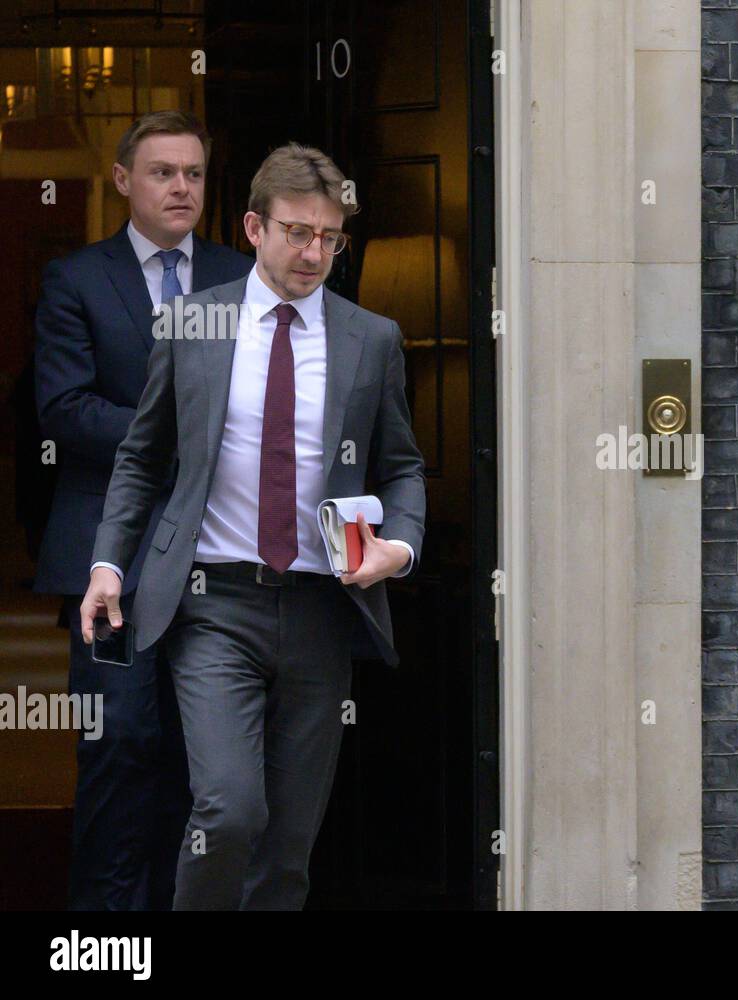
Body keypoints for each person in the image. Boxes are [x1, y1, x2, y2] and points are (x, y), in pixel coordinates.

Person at [80, 142, 426, 910]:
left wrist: (398, 547)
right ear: (253, 228)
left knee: (290, 842)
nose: (315, 253)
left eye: (330, 237)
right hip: (213, 606)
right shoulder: (191, 324)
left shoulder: (371, 339)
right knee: (230, 808)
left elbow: (401, 466)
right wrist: (108, 566)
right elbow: (141, 460)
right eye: (298, 232)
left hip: (320, 609)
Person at [33, 110, 252, 910]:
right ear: (125, 181)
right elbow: (62, 409)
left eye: (193, 173)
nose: (181, 187)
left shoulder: (243, 276)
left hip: (221, 556)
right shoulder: (78, 279)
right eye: (163, 172)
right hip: (109, 560)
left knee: (203, 764)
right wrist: (179, 437)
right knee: (119, 745)